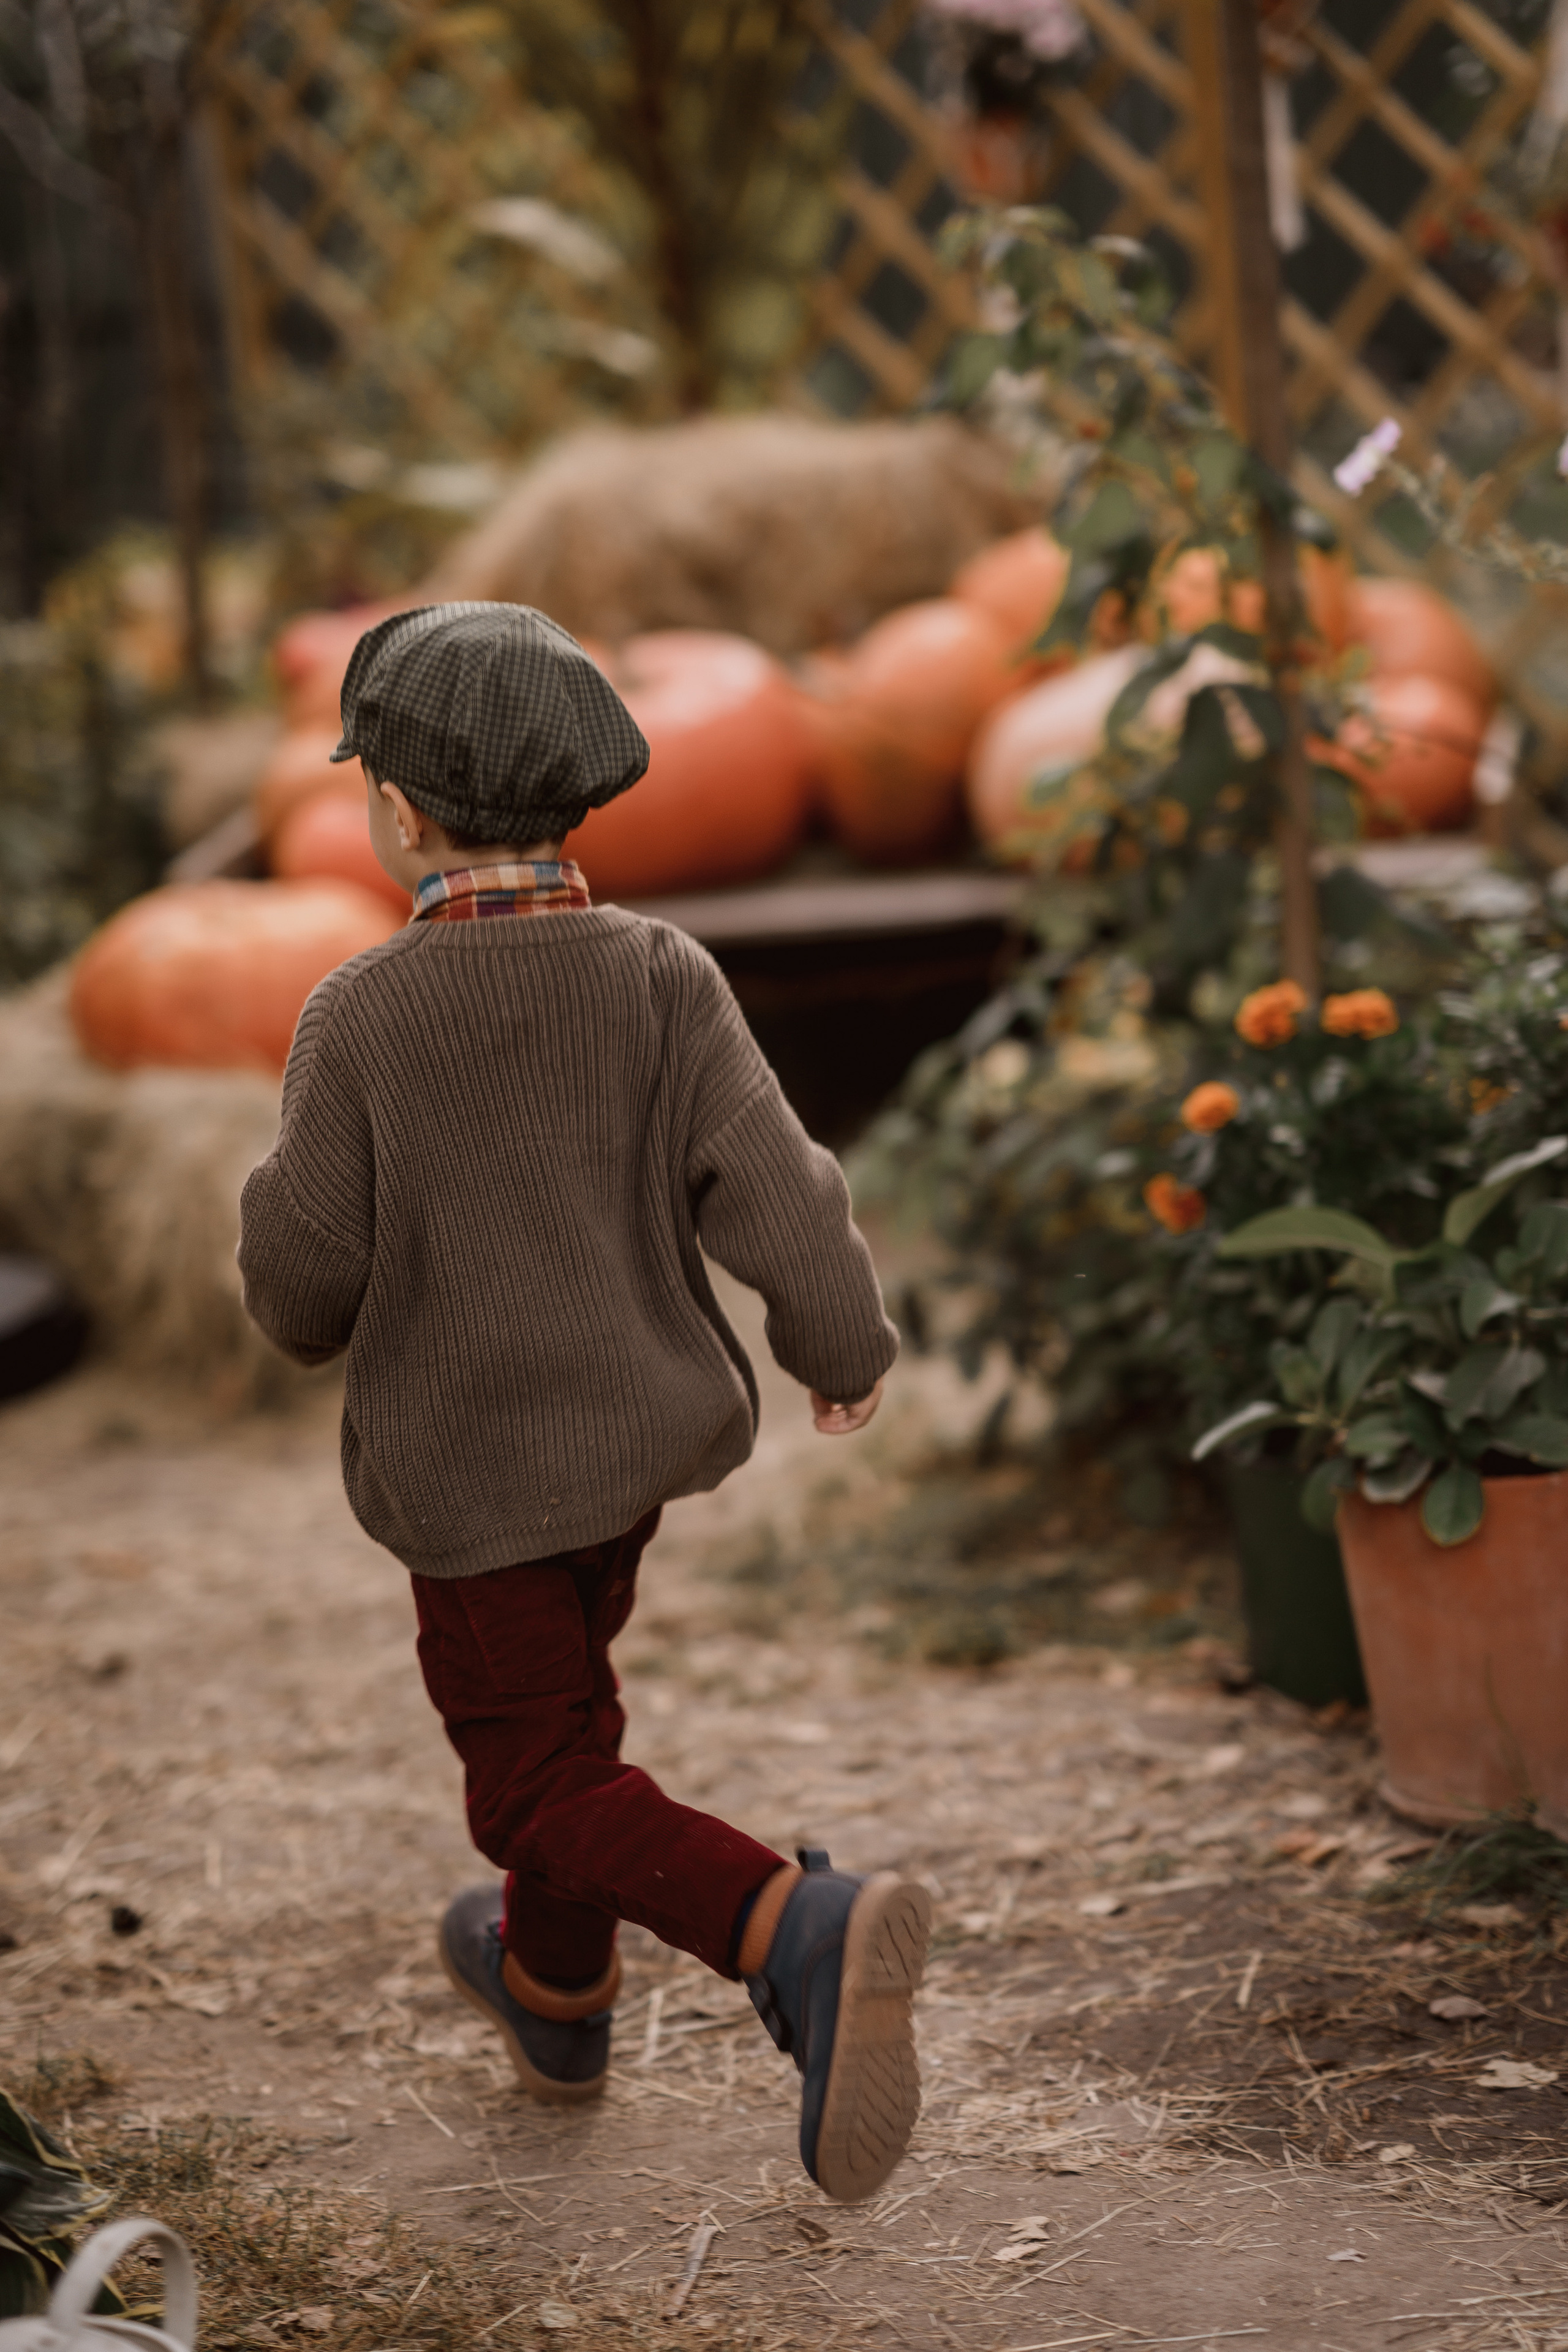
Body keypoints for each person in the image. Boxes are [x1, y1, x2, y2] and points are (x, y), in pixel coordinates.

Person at [236, 602, 931, 2204]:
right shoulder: (664, 975)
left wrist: (281, 1241)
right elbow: (778, 1181)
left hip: (472, 1485)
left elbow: (300, 1290)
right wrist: (841, 1340)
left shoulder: (359, 1014)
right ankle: (555, 1991)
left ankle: (790, 1925)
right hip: (628, 1457)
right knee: (571, 1724)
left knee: (533, 1779)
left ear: (399, 812)